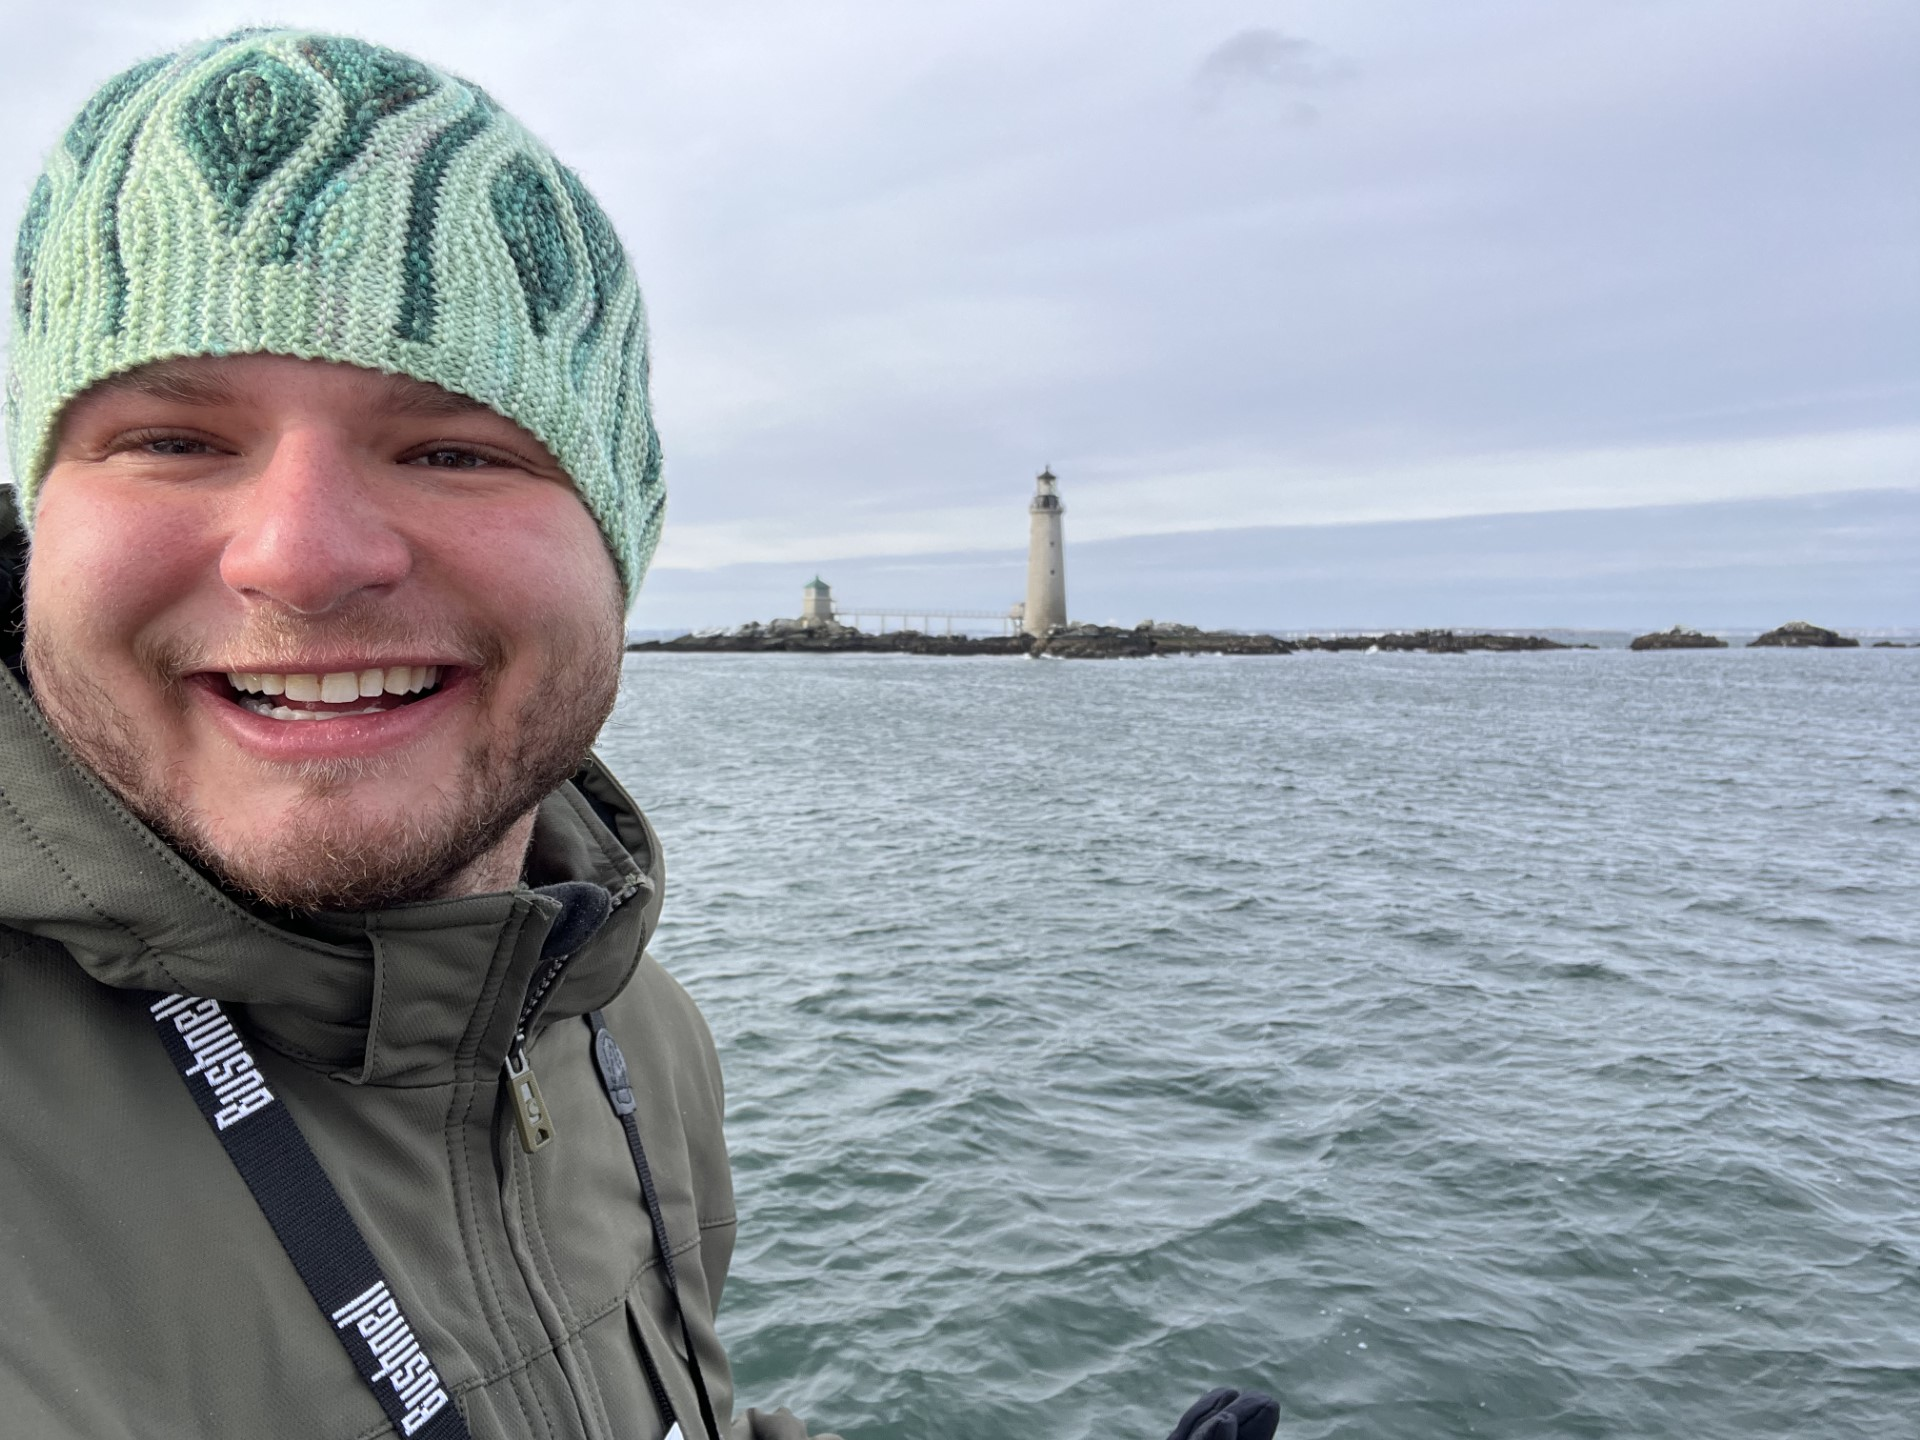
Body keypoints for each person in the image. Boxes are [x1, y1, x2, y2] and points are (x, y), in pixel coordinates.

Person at [0, 30, 1278, 1440]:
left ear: (619, 545)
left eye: (456, 451)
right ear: (39, 514)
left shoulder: (626, 1029)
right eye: (171, 439)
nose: (299, 558)